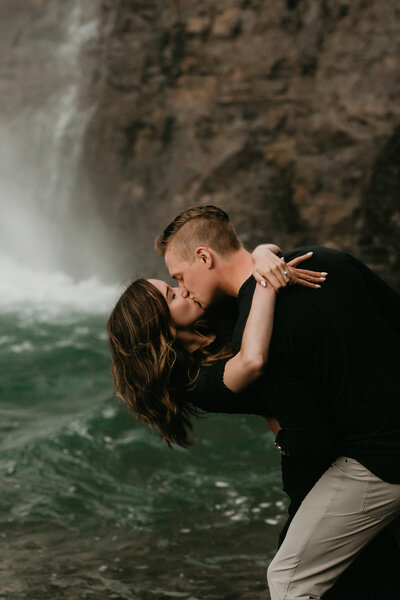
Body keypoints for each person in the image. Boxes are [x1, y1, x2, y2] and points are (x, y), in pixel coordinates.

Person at [155, 205, 400, 600]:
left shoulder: (255, 338)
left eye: (178, 277)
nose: (182, 286)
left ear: (204, 257)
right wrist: (266, 251)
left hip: (382, 461)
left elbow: (311, 435)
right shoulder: (326, 258)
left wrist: (282, 440)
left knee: (289, 581)